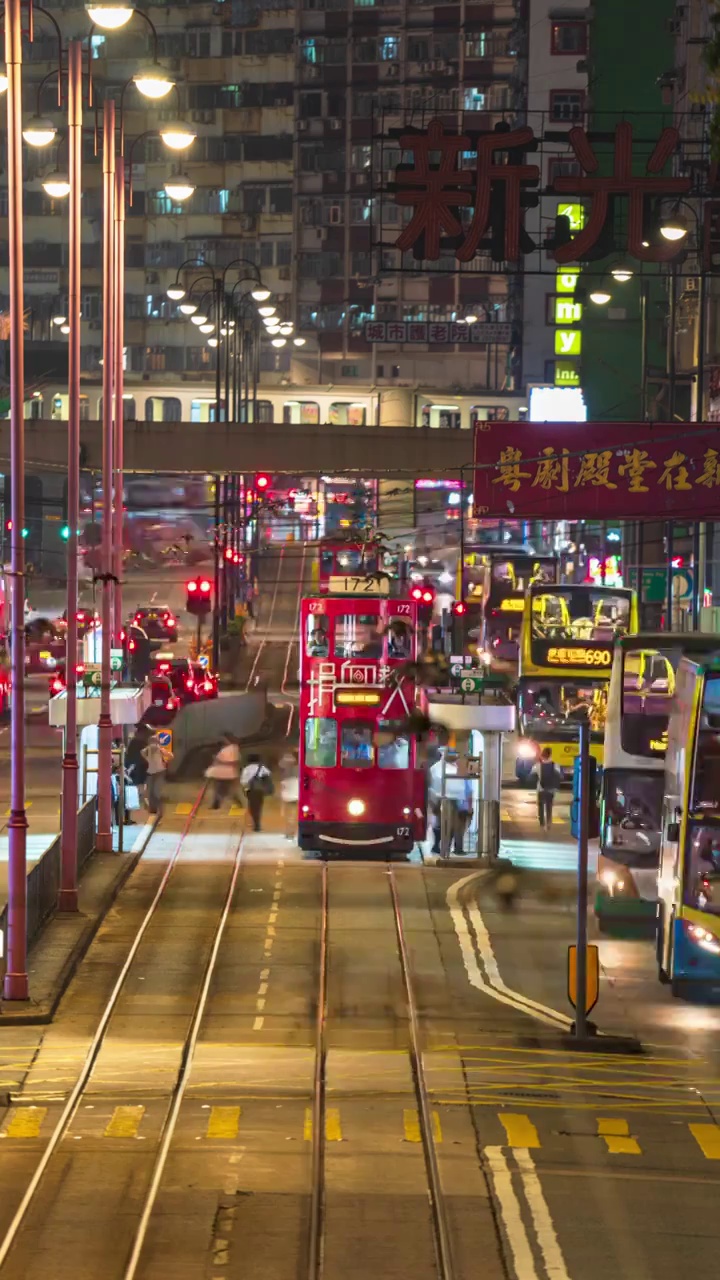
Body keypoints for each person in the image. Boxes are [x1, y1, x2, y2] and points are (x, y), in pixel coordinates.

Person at [206, 733, 241, 809]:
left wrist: (219, 761)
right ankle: (216, 804)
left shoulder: (233, 748)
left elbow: (234, 761)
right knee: (218, 789)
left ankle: (238, 803)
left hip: (227, 772)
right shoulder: (225, 748)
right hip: (220, 772)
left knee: (227, 790)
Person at [240, 752, 273, 831]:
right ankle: (257, 823)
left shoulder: (246, 768)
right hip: (261, 790)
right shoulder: (262, 767)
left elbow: (243, 781)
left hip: (251, 790)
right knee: (259, 807)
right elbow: (268, 775)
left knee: (252, 807)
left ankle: (256, 823)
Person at [142, 731, 172, 816]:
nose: (153, 745)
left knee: (156, 791)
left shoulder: (160, 750)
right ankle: (152, 810)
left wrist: (165, 761)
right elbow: (142, 753)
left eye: (154, 742)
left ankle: (160, 810)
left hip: (159, 772)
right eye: (151, 742)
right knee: (150, 791)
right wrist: (148, 756)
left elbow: (171, 755)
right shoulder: (147, 750)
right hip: (150, 772)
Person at [532, 747, 562, 830]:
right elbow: (559, 775)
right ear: (550, 754)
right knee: (549, 807)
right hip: (551, 790)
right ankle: (548, 823)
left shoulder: (538, 765)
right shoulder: (555, 765)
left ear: (542, 754)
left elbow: (531, 773)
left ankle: (542, 823)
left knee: (540, 806)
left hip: (541, 789)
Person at [279, 749, 299, 840]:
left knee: (289, 816)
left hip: (289, 796)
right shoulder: (300, 768)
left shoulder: (287, 769)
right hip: (297, 795)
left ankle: (289, 833)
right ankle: (292, 833)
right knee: (293, 816)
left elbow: (283, 783)